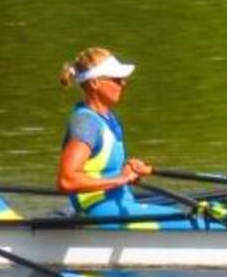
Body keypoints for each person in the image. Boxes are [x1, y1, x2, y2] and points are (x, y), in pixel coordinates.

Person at [54, 47, 163, 219]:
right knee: (198, 220)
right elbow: (67, 180)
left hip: (120, 205)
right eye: (117, 79)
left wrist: (128, 168)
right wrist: (120, 179)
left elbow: (99, 166)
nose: (123, 83)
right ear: (95, 83)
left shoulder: (107, 118)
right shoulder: (86, 123)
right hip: (102, 212)